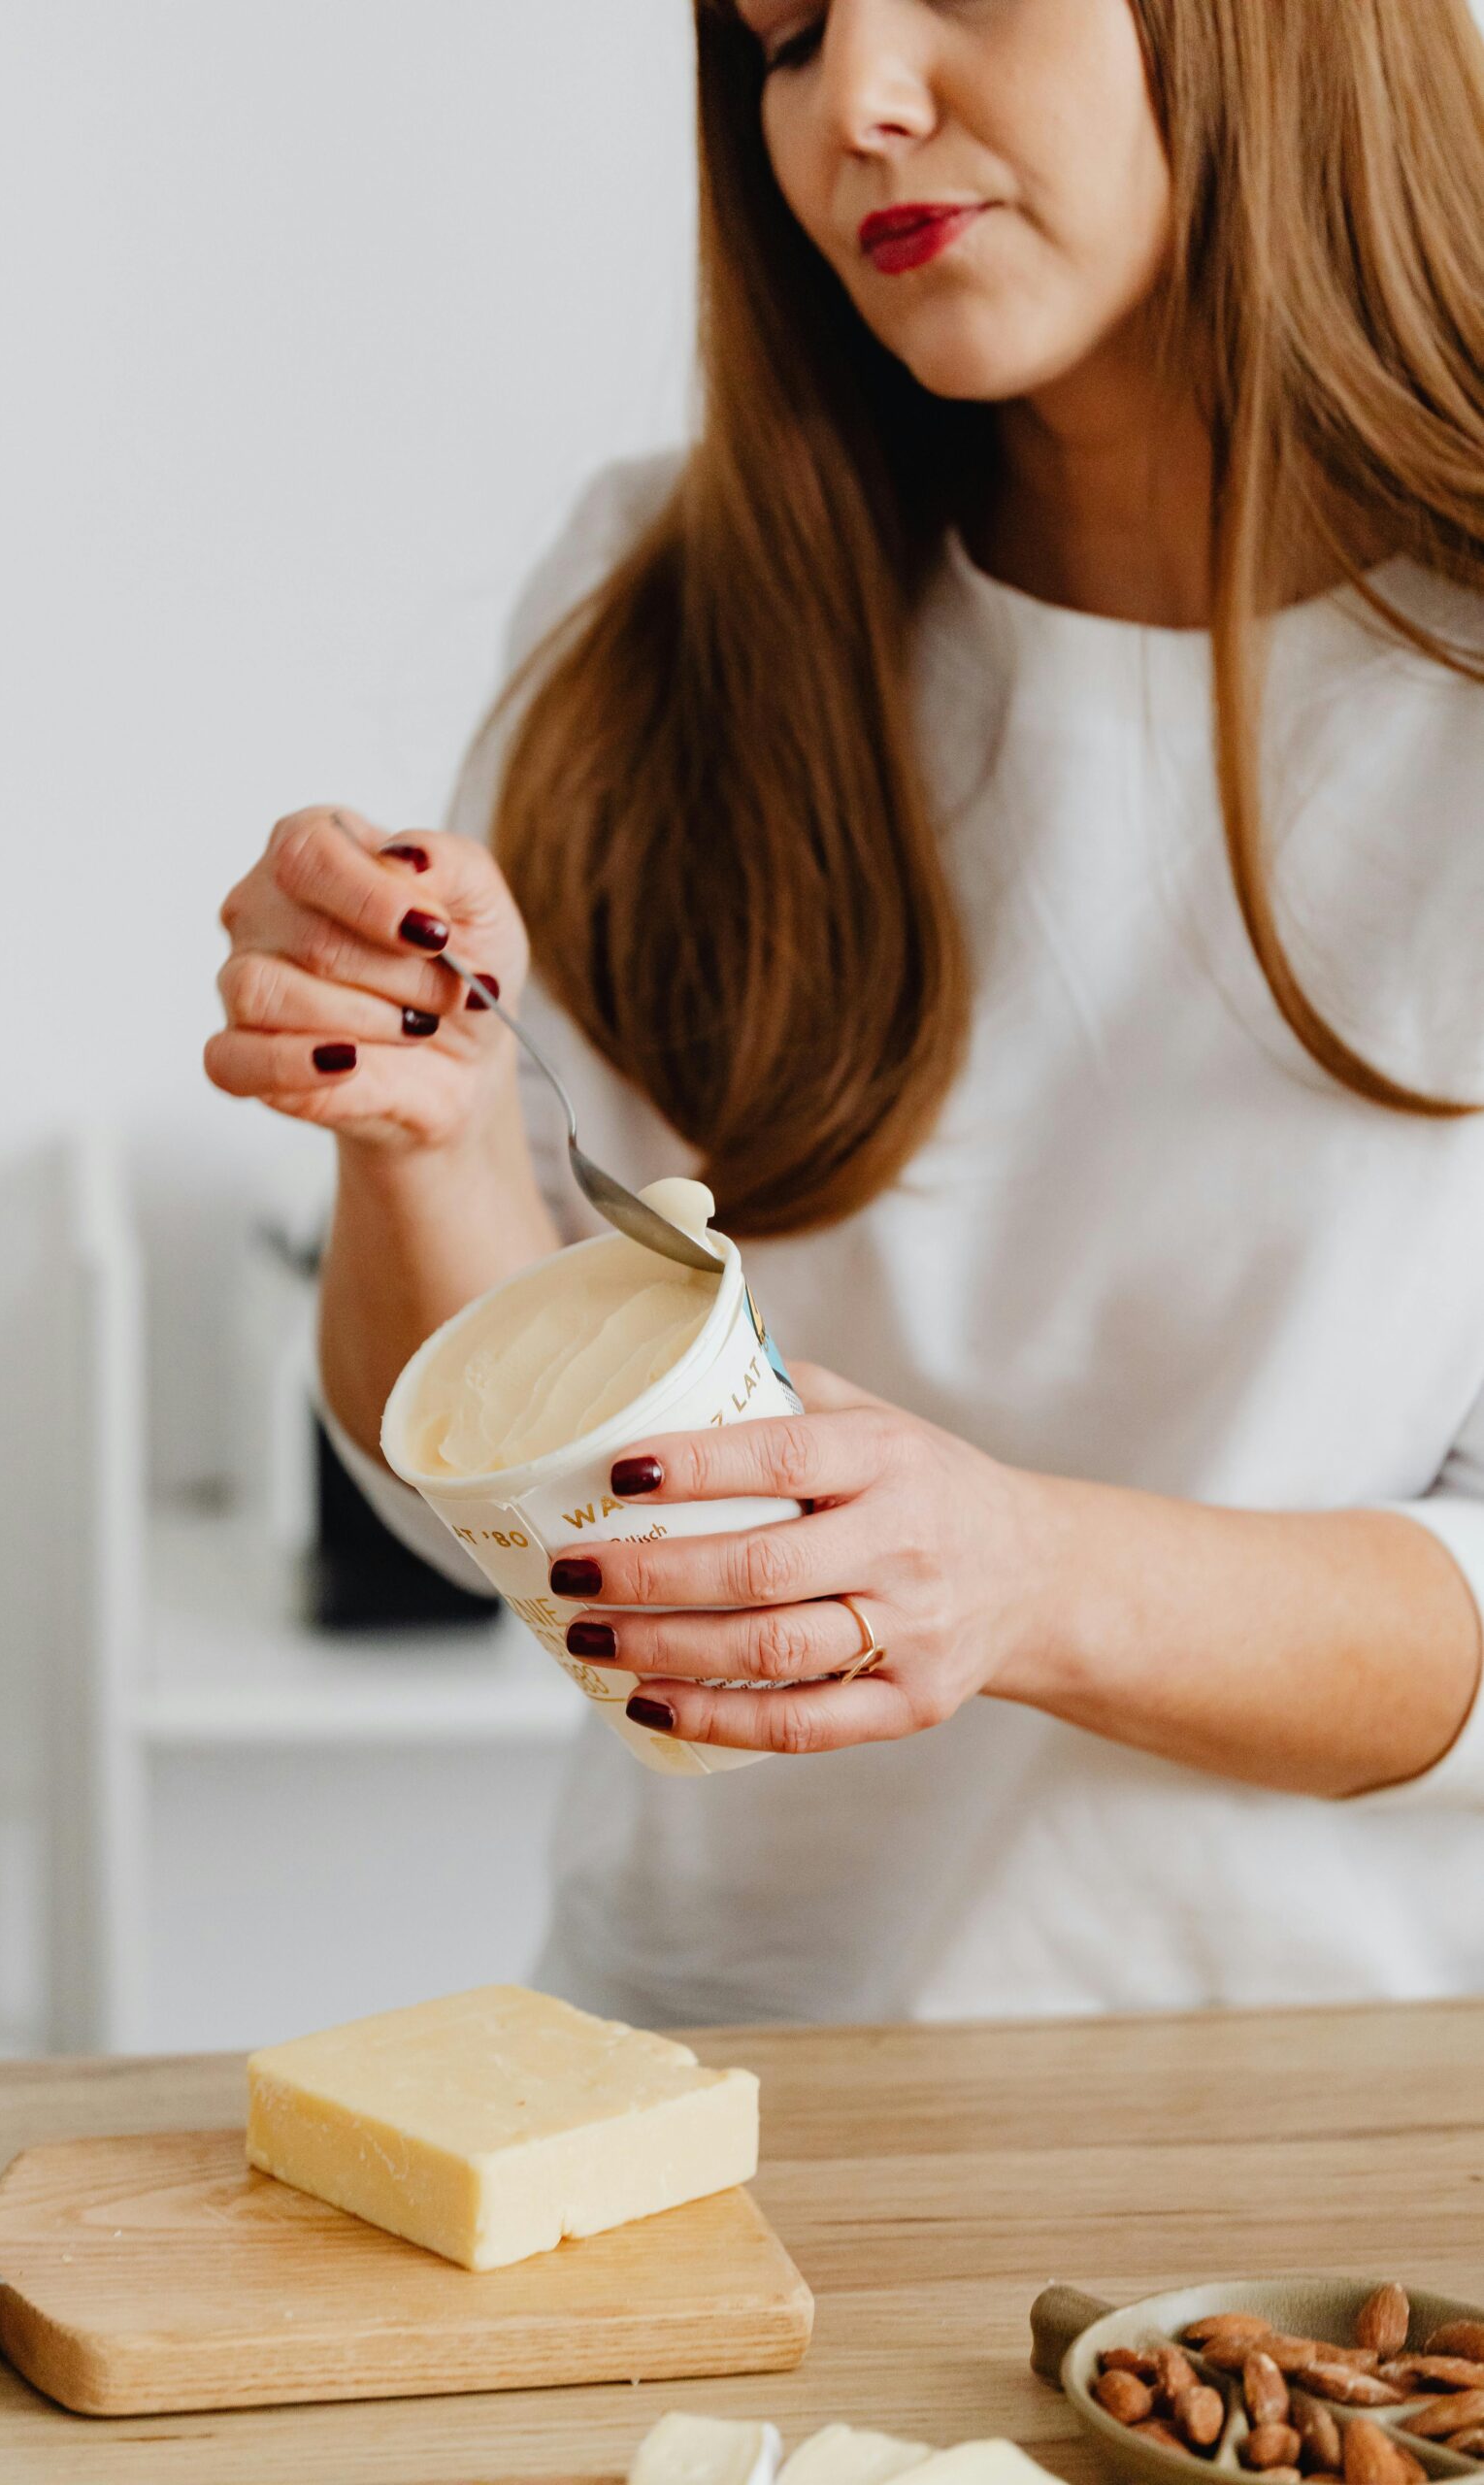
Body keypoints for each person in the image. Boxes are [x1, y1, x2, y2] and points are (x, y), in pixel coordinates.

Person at [207, 0, 1484, 2026]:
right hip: (714, 2069)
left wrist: (1026, 1573)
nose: (850, 109)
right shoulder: (654, 608)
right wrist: (426, 1136)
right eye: (780, 37)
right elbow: (505, 1525)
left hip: (1314, 2150)